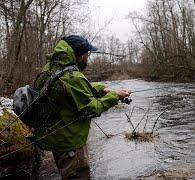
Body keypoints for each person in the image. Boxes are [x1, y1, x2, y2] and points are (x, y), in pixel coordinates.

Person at [33, 35, 130, 179]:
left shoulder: (51, 68)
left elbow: (77, 90)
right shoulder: (72, 76)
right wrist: (115, 97)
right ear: (79, 55)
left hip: (53, 136)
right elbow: (92, 108)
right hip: (69, 142)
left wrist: (103, 89)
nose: (87, 58)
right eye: (86, 54)